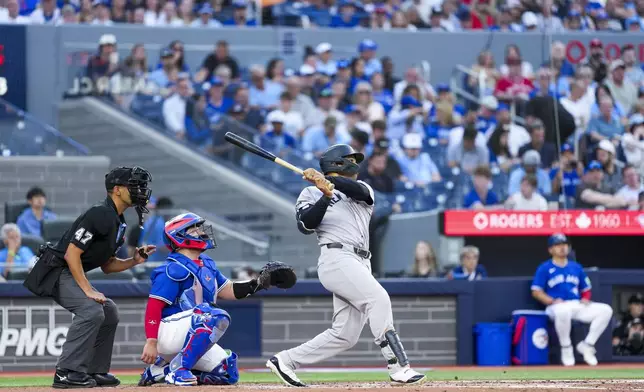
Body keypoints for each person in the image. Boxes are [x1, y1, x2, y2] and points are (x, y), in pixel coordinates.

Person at [266, 144, 426, 386]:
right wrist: (325, 195)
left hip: (361, 261)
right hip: (336, 258)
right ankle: (398, 366)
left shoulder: (363, 189)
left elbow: (356, 190)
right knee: (378, 299)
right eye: (350, 158)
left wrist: (329, 182)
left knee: (345, 335)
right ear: (337, 162)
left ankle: (285, 360)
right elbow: (306, 225)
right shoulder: (310, 194)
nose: (355, 163)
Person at [23, 167, 155, 388]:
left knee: (108, 311)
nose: (140, 190)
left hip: (67, 270)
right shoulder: (100, 213)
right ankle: (66, 372)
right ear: (117, 190)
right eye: (134, 185)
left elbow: (107, 265)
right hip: (55, 270)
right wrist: (87, 289)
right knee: (91, 310)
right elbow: (71, 253)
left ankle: (95, 370)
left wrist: (133, 261)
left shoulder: (117, 220)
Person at [137, 213, 295, 386]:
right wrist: (151, 342)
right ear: (180, 235)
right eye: (194, 229)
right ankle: (178, 369)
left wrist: (258, 283)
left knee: (227, 373)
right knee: (214, 315)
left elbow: (228, 290)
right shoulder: (172, 268)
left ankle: (161, 371)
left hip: (191, 332)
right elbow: (154, 307)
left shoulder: (206, 263)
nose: (201, 232)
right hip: (168, 334)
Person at [531, 233, 614, 366]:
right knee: (562, 311)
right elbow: (536, 291)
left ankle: (587, 345)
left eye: (564, 244)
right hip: (555, 306)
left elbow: (585, 288)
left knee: (606, 310)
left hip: (575, 304)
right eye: (557, 245)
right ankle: (566, 347)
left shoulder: (576, 267)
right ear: (550, 249)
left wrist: (586, 298)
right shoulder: (545, 268)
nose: (562, 248)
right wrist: (551, 301)